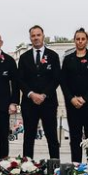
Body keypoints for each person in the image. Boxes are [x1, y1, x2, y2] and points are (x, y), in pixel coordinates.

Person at [18, 25, 61, 159]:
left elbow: (56, 79)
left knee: (52, 137)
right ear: (30, 38)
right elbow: (20, 80)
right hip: (29, 103)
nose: (36, 38)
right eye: (33, 36)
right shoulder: (24, 57)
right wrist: (31, 94)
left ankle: (55, 168)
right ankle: (26, 169)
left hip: (48, 102)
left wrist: (43, 95)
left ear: (43, 36)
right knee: (28, 138)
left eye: (38, 35)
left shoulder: (53, 56)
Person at [60, 28, 88, 163]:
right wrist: (71, 98)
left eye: (83, 39)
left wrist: (84, 98)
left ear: (87, 40)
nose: (80, 41)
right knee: (75, 138)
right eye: (77, 39)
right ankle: (76, 166)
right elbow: (63, 82)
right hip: (73, 106)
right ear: (74, 40)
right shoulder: (67, 59)